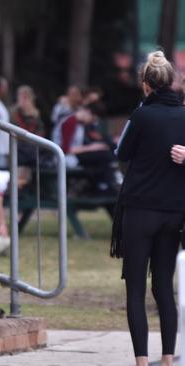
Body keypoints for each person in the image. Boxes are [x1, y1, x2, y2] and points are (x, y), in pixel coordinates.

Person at [111, 51, 185, 366]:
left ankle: (141, 359)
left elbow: (121, 153)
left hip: (140, 209)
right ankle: (168, 356)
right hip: (174, 212)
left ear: (146, 86)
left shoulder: (141, 116)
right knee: (164, 286)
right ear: (173, 82)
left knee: (136, 288)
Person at [10, 85, 44, 166]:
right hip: (17, 148)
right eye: (21, 97)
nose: (23, 100)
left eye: (26, 97)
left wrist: (31, 116)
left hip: (32, 149)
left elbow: (40, 131)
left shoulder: (36, 113)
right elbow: (13, 127)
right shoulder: (13, 112)